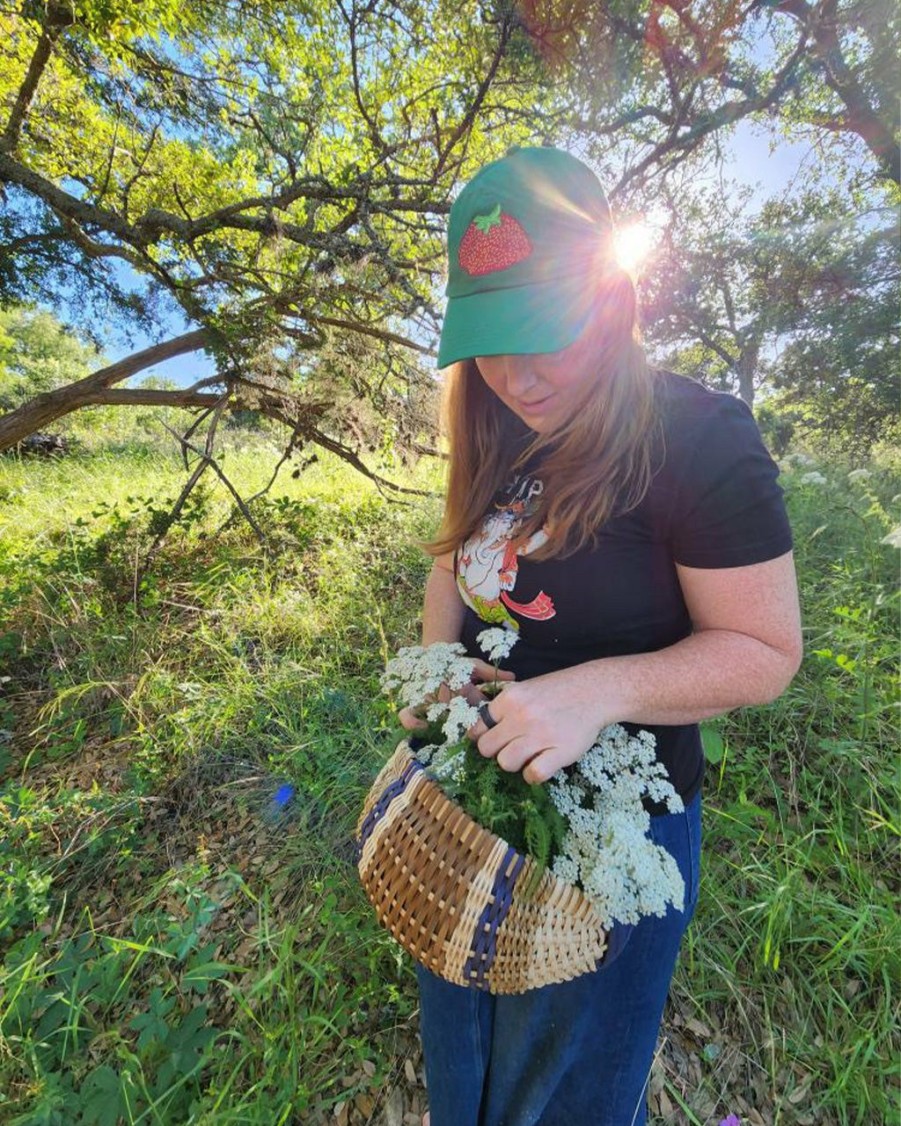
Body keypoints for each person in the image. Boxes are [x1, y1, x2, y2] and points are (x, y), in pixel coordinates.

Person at [399, 146, 802, 1126]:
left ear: (612, 301)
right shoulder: (494, 426)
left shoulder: (696, 439)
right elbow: (453, 556)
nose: (518, 374)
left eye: (545, 331)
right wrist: (434, 675)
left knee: (575, 1085)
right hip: (476, 816)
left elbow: (764, 650)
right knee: (472, 1069)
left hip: (619, 842)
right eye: (491, 341)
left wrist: (593, 690)